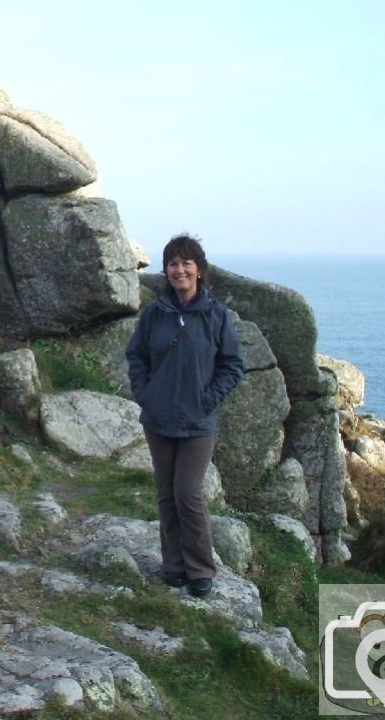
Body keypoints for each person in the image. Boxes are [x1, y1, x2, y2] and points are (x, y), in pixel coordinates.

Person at [125, 234, 244, 597]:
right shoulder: (155, 314)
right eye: (173, 263)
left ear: (200, 270)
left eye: (186, 262)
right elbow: (136, 357)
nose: (179, 269)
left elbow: (232, 365)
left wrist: (208, 399)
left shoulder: (216, 315)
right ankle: (173, 566)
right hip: (158, 420)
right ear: (167, 271)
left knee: (188, 494)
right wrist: (146, 395)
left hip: (197, 422)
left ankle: (200, 569)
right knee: (166, 494)